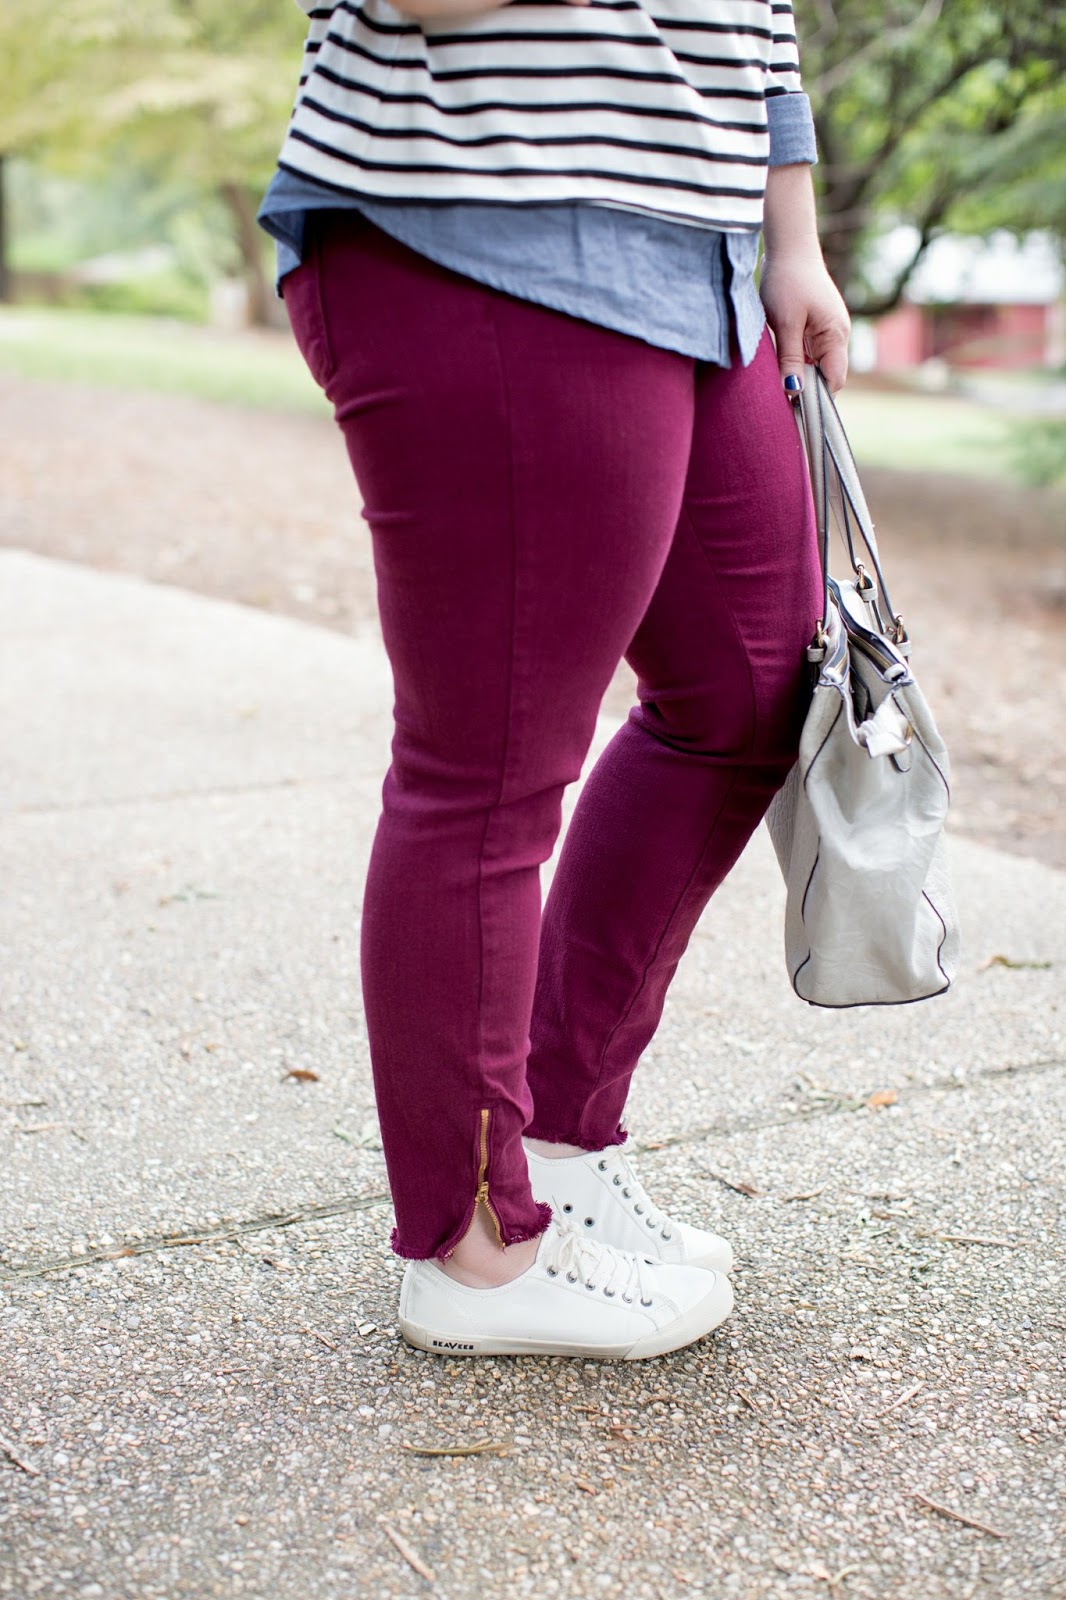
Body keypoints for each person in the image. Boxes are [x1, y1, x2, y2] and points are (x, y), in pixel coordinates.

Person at [259, 0, 850, 1361]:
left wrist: (791, 237)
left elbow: (758, 23)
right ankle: (472, 1250)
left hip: (700, 254)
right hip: (484, 226)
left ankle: (559, 1149)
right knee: (488, 767)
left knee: (746, 688)